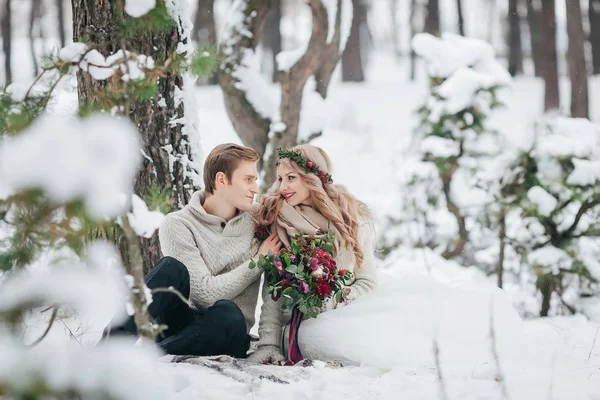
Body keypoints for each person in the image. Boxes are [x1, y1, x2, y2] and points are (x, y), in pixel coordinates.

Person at [102, 143, 282, 358]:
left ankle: (150, 355)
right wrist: (258, 262)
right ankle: (109, 348)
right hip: (180, 323)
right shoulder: (178, 224)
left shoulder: (257, 219)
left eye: (255, 179)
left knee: (229, 313)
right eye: (248, 179)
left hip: (227, 331)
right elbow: (205, 296)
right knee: (170, 268)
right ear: (222, 180)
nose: (255, 188)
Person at [247, 144, 378, 364]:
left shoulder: (353, 220)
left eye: (291, 178)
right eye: (280, 179)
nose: (283, 187)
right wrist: (268, 343)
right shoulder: (280, 221)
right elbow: (272, 292)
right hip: (300, 326)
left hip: (347, 315)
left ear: (312, 178)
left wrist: (333, 300)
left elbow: (367, 282)